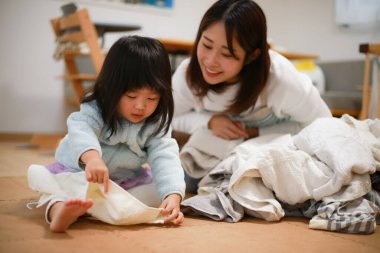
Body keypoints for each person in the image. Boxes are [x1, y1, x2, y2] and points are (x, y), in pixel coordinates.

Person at [171, 0, 332, 191]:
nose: (211, 61)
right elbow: (169, 118)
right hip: (222, 150)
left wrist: (256, 132)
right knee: (188, 179)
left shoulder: (281, 81)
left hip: (276, 146)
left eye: (227, 54)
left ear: (252, 55)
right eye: (206, 45)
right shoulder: (188, 75)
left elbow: (324, 126)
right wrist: (210, 121)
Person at [41, 36, 185, 232]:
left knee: (157, 192)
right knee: (54, 192)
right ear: (111, 87)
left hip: (124, 180)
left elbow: (165, 156)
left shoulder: (156, 121)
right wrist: (92, 158)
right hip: (79, 173)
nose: (140, 106)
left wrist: (172, 195)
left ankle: (96, 208)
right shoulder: (97, 107)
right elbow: (81, 128)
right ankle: (59, 212)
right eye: (131, 96)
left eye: (152, 97)